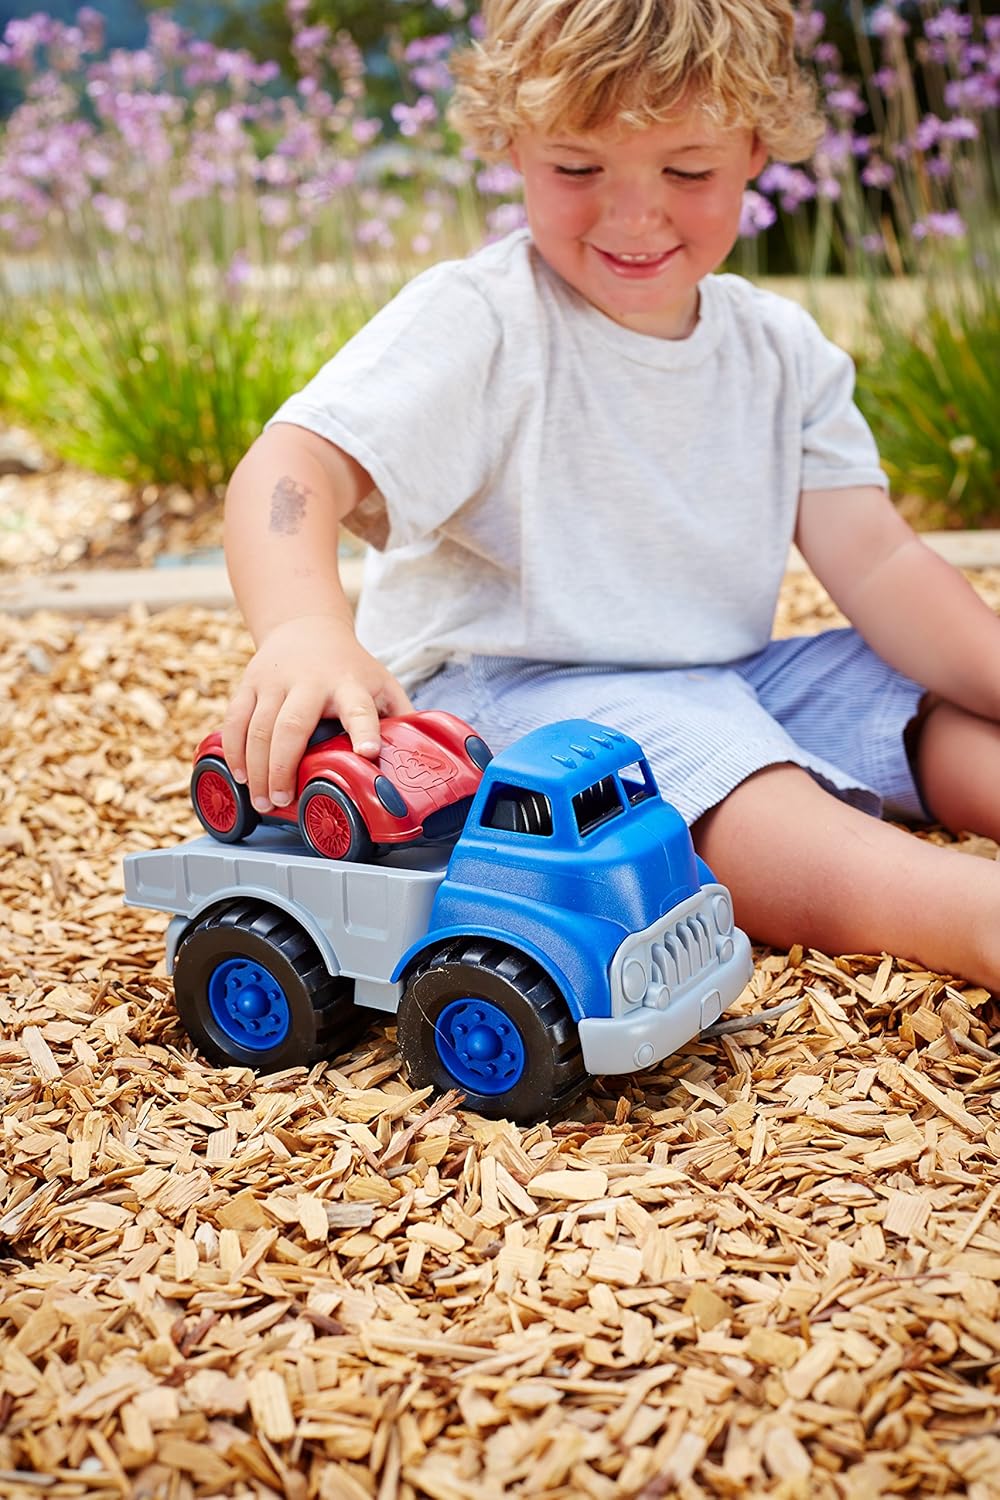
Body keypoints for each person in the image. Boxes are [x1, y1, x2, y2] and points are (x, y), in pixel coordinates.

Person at [221, 0, 1000, 991]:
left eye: (687, 170)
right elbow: (293, 467)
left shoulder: (780, 352)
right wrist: (301, 629)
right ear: (512, 144)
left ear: (755, 148)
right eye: (578, 168)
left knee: (915, 698)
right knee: (699, 780)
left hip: (726, 676)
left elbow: (883, 564)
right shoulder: (484, 322)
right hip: (513, 703)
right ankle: (970, 918)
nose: (635, 216)